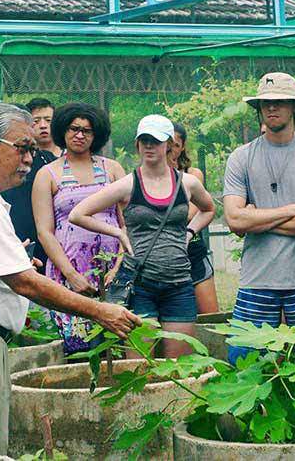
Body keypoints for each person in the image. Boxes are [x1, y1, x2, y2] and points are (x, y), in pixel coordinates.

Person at [0, 103, 140, 455]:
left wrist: (0, 261)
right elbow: (25, 282)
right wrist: (100, 311)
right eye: (21, 148)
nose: (28, 159)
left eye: (32, 150)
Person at [69, 114, 215, 358]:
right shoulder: (128, 184)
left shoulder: (187, 183)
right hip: (140, 286)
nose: (149, 146)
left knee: (179, 367)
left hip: (179, 283)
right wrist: (119, 232)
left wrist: (189, 232)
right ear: (137, 143)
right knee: (139, 367)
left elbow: (209, 209)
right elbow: (78, 214)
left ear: (169, 144)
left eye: (155, 141)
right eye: (144, 140)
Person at [223, 72, 295, 364]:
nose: (272, 107)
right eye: (265, 103)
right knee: (245, 367)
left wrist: (256, 218)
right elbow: (234, 220)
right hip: (257, 280)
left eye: (281, 101)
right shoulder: (241, 158)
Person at [32, 102, 126, 354]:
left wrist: (118, 267)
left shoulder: (112, 169)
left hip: (113, 272)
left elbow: (125, 223)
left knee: (118, 345)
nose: (80, 135)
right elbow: (44, 231)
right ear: (63, 130)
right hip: (69, 273)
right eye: (74, 128)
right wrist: (71, 275)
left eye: (87, 130)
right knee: (79, 349)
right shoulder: (47, 174)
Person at [2, 98, 61, 270]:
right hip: (10, 238)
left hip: (43, 241)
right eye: (37, 121)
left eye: (48, 120)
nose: (42, 126)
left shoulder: (48, 160)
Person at [168, 122, 219, 314]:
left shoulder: (192, 175)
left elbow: (189, 214)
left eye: (175, 144)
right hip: (162, 257)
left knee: (210, 316)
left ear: (182, 147)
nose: (170, 149)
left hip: (192, 251)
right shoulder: (143, 178)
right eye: (167, 143)